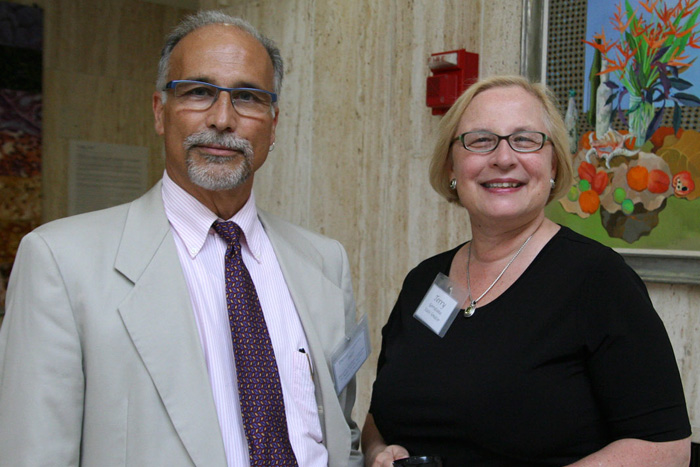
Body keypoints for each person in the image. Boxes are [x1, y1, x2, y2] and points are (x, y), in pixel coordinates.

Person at [0, 11, 362, 467]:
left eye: (247, 97)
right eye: (198, 92)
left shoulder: (325, 262)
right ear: (159, 111)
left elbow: (336, 432)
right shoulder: (60, 262)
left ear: (273, 122)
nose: (223, 119)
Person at [362, 75, 691, 466]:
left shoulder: (599, 280)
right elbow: (379, 415)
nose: (503, 158)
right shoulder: (424, 282)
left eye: (525, 139)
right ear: (452, 165)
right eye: (481, 140)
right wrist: (379, 452)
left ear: (553, 163)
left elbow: (666, 451)